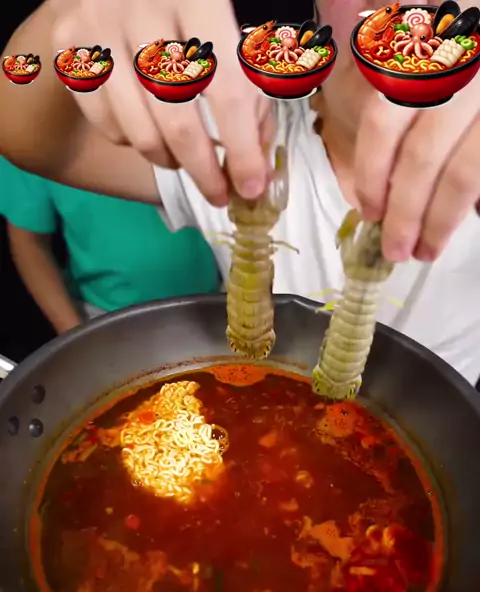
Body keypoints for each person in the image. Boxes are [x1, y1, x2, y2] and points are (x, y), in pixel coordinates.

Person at [0, 0, 479, 383]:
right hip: (258, 380)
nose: (405, 12)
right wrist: (68, 9)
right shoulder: (234, 129)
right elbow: (25, 134)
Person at [0, 156, 220, 333]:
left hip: (214, 299)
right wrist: (74, 334)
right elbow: (29, 243)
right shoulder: (28, 136)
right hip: (103, 314)